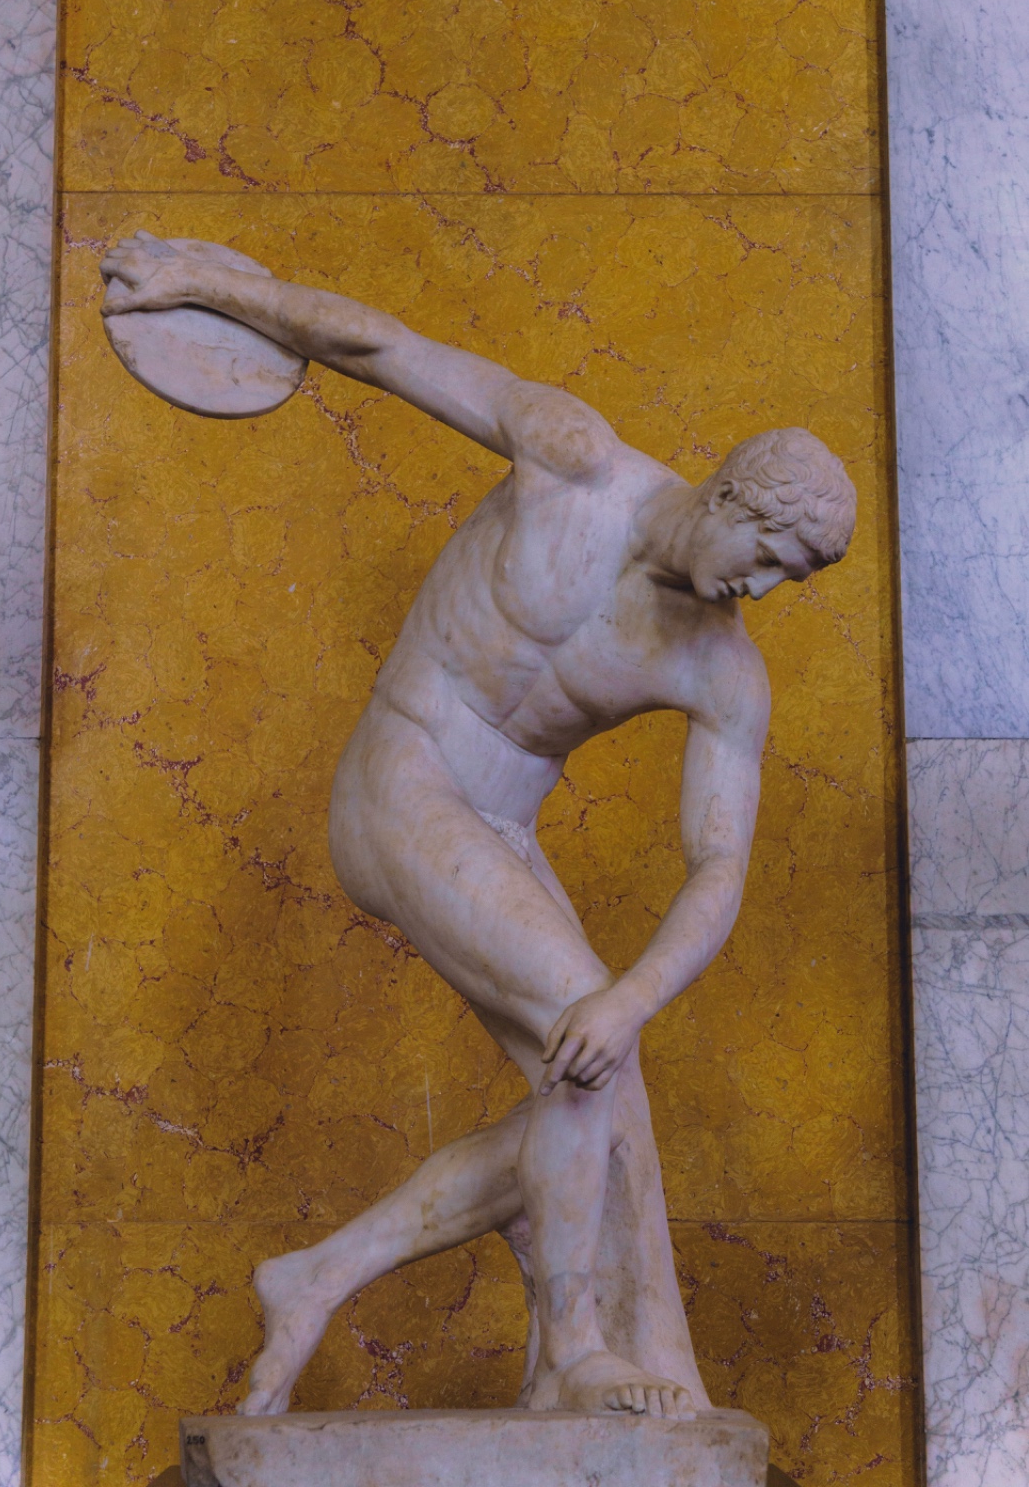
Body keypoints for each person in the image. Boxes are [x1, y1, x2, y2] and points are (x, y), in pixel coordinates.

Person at [100, 232, 857, 1422]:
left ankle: (319, 1275)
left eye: (789, 583)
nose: (759, 593)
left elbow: (719, 863)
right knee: (577, 1026)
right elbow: (377, 346)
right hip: (401, 781)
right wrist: (198, 286)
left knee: (598, 1087)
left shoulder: (726, 674)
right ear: (729, 494)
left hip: (497, 834)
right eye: (767, 555)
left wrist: (634, 997)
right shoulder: (573, 460)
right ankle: (569, 1354)